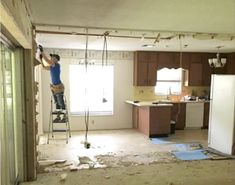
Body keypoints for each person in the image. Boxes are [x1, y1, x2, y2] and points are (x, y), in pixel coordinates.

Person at [38, 45, 66, 122]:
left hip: (59, 87)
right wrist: (41, 59)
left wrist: (42, 51)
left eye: (53, 58)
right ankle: (58, 117)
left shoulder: (56, 65)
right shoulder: (52, 67)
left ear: (56, 60)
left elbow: (47, 61)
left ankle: (64, 117)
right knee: (57, 103)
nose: (51, 59)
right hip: (54, 87)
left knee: (61, 102)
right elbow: (44, 67)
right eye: (51, 58)